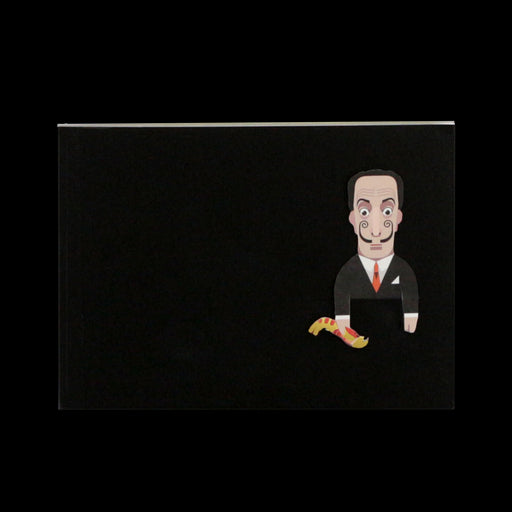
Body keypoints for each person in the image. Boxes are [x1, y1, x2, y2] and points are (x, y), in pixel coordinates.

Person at [334, 169, 419, 335]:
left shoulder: (404, 272)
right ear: (353, 219)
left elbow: (411, 312)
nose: (375, 231)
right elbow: (342, 321)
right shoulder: (346, 275)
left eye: (387, 211)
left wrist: (410, 318)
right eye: (364, 212)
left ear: (398, 217)